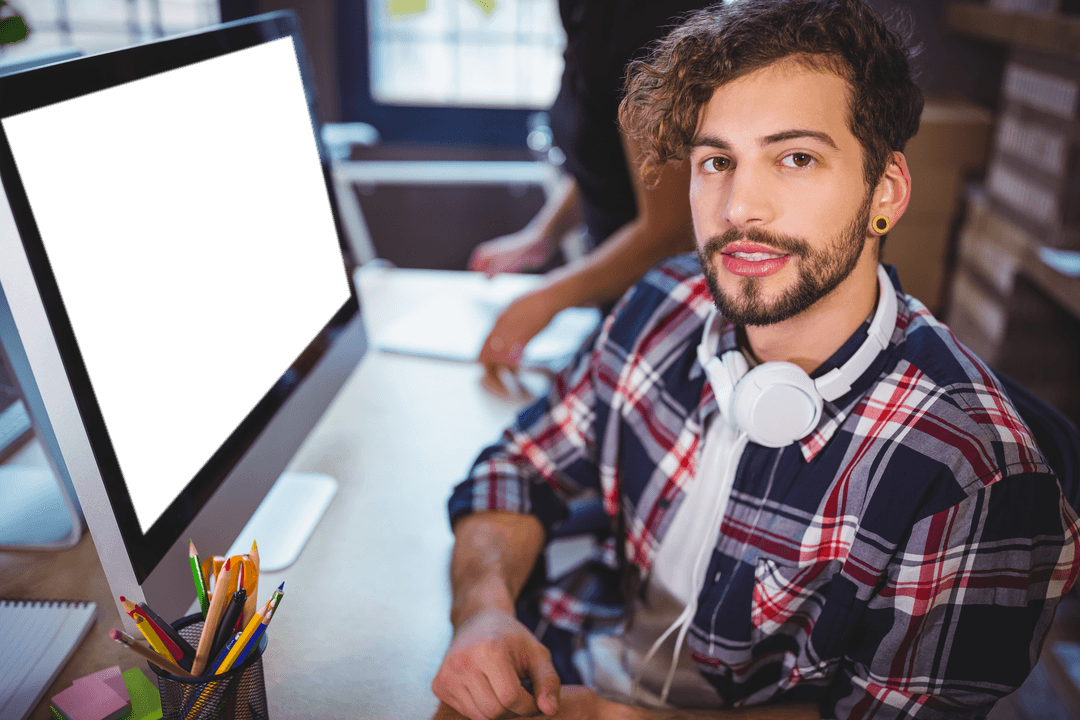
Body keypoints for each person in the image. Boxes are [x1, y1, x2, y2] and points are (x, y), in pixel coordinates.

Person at [434, 1, 1080, 718]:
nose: (741, 205)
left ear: (885, 192)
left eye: (796, 157)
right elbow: (516, 469)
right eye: (717, 161)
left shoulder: (974, 473)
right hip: (571, 662)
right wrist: (484, 611)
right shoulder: (663, 303)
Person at [468, 0, 707, 390]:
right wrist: (543, 234)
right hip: (622, 307)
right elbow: (607, 160)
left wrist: (548, 299)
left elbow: (672, 228)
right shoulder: (587, 17)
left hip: (671, 323)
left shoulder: (653, 26)